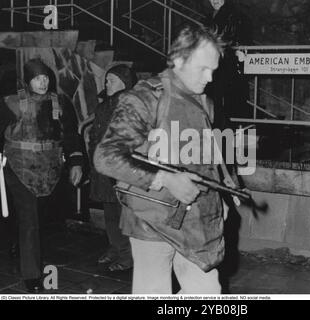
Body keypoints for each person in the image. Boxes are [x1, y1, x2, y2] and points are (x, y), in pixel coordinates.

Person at [94, 25, 231, 294]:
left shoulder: (204, 102)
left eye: (213, 69)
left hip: (193, 221)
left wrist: (221, 194)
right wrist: (164, 179)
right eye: (203, 68)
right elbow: (106, 157)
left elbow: (207, 156)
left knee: (207, 292)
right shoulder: (145, 98)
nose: (210, 77)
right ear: (178, 60)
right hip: (151, 220)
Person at [0, 58, 83, 293]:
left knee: (38, 218)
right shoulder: (10, 103)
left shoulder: (61, 103)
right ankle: (32, 276)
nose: (42, 82)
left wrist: (76, 162)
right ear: (27, 81)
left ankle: (19, 243)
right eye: (37, 78)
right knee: (30, 220)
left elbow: (71, 137)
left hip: (49, 169)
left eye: (45, 77)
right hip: (18, 167)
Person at [88, 64, 136, 272]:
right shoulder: (103, 106)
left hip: (120, 169)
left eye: (111, 80)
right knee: (110, 213)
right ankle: (115, 248)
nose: (106, 83)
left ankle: (127, 256)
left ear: (124, 83)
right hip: (103, 169)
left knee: (123, 214)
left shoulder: (129, 105)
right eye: (106, 80)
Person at [205, 0, 251, 129]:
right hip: (215, 64)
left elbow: (238, 40)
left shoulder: (234, 16)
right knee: (218, 102)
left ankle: (221, 134)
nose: (214, 0)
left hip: (224, 66)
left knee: (221, 103)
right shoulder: (209, 17)